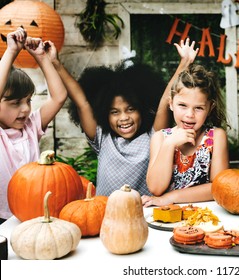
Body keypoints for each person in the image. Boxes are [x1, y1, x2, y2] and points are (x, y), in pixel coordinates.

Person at [49, 38, 199, 196]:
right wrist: (56, 63)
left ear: (142, 109)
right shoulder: (102, 138)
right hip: (105, 215)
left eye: (130, 109)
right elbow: (82, 103)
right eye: (115, 112)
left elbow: (164, 101)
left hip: (144, 216)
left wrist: (185, 62)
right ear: (104, 114)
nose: (123, 118)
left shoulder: (154, 136)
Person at [0, 27, 67, 223]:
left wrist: (41, 57)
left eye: (28, 101)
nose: (25, 110)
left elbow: (59, 97)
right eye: (15, 103)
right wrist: (11, 51)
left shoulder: (30, 127)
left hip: (31, 214)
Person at [142, 63, 229, 207]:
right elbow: (156, 188)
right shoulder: (160, 138)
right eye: (182, 105)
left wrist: (171, 197)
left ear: (210, 108)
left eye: (199, 108)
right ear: (171, 104)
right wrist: (169, 144)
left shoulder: (216, 137)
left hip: (207, 214)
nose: (190, 115)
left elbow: (219, 187)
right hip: (168, 215)